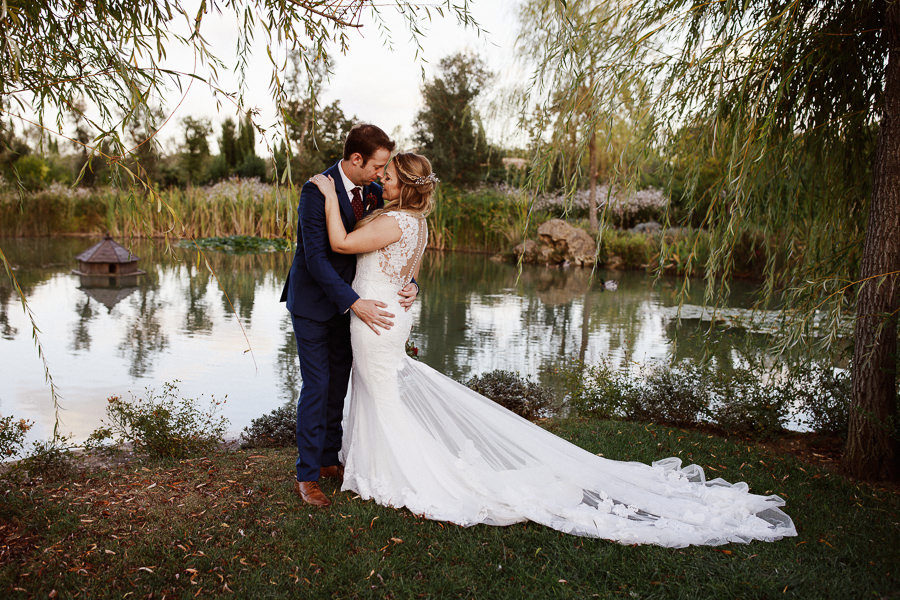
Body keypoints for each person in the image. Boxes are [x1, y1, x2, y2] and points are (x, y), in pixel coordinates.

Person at [308, 152, 797, 547]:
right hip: (387, 311)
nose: (382, 181)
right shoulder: (415, 223)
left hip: (377, 320)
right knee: (378, 391)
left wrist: (329, 194)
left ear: (405, 187)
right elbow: (401, 270)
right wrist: (408, 287)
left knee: (383, 393)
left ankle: (411, 474)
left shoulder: (395, 222)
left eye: (389, 176)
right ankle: (377, 465)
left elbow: (342, 242)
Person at [280, 124, 419, 508]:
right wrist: (354, 302)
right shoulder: (316, 189)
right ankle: (306, 475)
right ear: (356, 159)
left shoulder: (374, 193)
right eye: (377, 166)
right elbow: (316, 258)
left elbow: (396, 247)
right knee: (317, 385)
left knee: (339, 382)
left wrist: (411, 285)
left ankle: (329, 458)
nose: (381, 174)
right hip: (314, 304)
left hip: (356, 306)